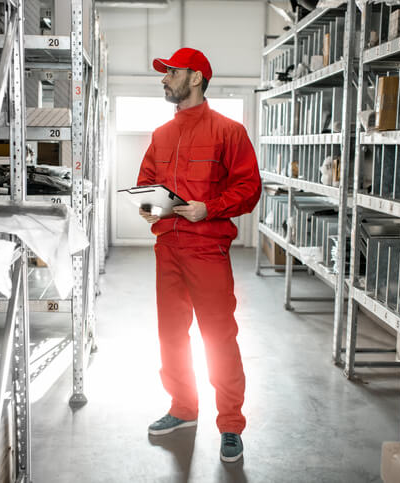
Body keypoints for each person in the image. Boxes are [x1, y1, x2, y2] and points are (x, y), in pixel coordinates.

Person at [136, 47, 261, 463]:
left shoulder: (229, 132)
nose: (165, 78)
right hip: (167, 246)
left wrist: (211, 208)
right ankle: (183, 408)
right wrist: (148, 203)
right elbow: (146, 181)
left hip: (207, 247)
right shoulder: (161, 134)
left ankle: (229, 424)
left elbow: (249, 189)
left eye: (172, 72)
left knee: (218, 337)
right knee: (171, 335)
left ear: (196, 77)